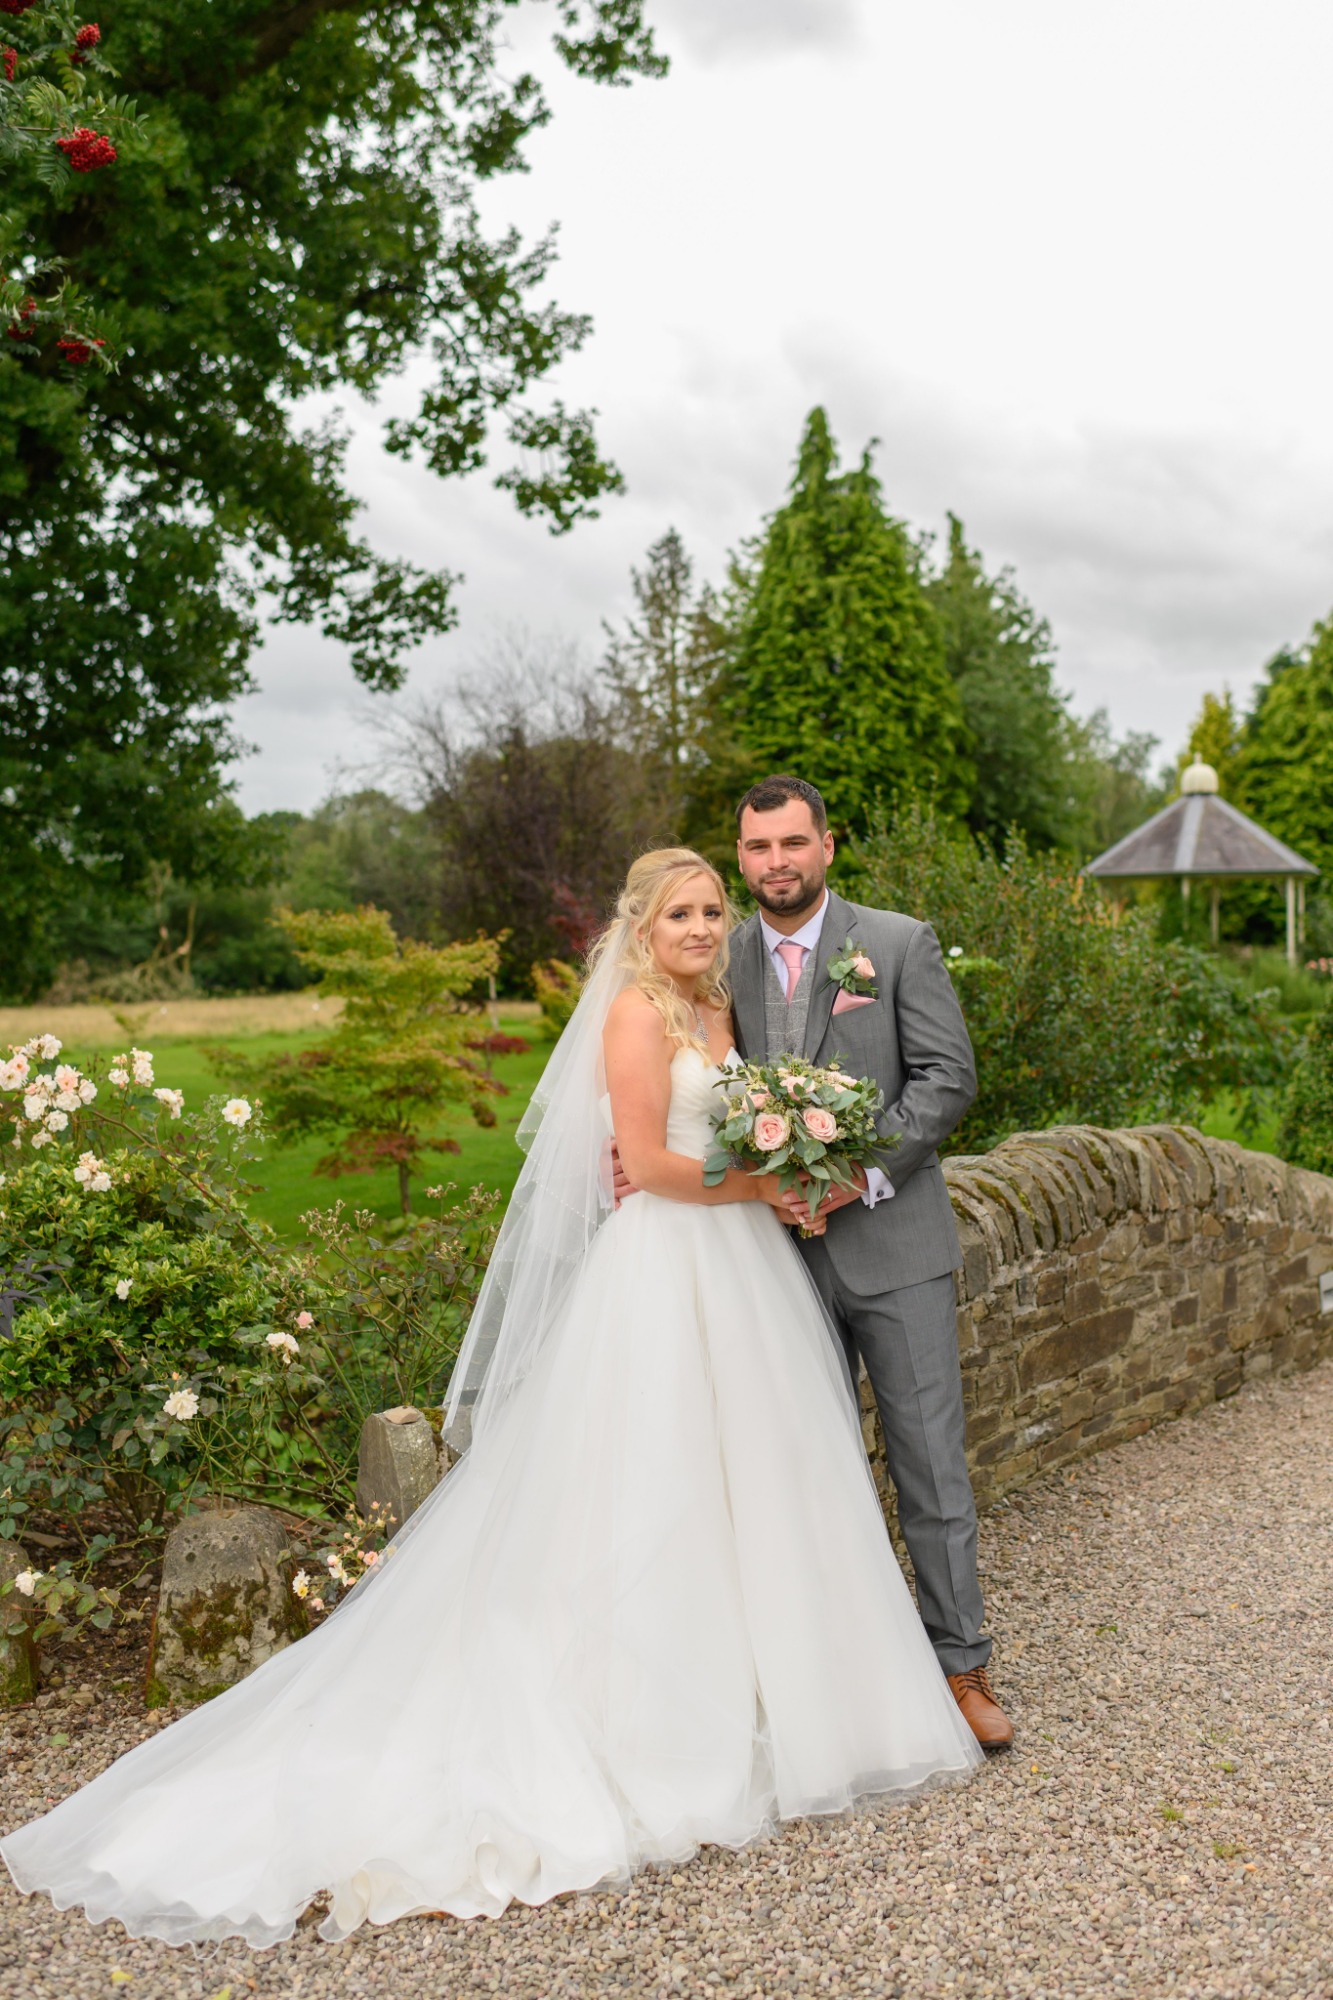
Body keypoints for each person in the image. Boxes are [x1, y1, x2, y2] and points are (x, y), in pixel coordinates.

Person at [1, 848, 980, 1951]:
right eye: (680, 913)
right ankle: (652, 1717)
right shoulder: (634, 1014)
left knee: (757, 1475)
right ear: (642, 925)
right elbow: (649, 1162)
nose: (703, 926)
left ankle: (780, 1697)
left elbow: (720, 1128)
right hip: (668, 1265)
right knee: (654, 1481)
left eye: (712, 909)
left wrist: (781, 1160)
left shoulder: (720, 1008)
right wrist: (766, 1183)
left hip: (743, 1268)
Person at [728, 775, 1012, 1750]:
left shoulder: (892, 943)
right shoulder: (717, 958)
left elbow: (947, 1077)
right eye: (758, 846)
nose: (776, 862)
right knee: (798, 1472)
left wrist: (858, 1173)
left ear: (826, 845)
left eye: (791, 842)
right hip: (769, 1262)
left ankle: (961, 1667)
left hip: (896, 1248)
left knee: (929, 1466)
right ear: (740, 857)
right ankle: (834, 1682)